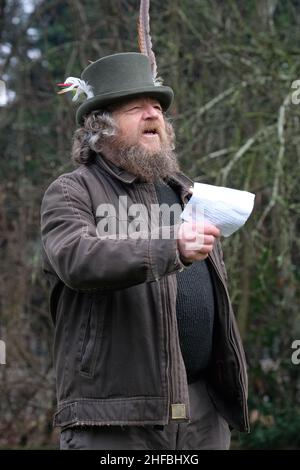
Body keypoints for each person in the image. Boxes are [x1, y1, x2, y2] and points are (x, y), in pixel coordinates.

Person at [41, 52, 249, 450]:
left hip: (202, 410)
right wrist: (171, 245)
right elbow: (77, 258)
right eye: (136, 108)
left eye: (157, 107)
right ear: (99, 129)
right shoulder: (72, 191)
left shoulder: (185, 189)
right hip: (118, 416)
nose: (153, 114)